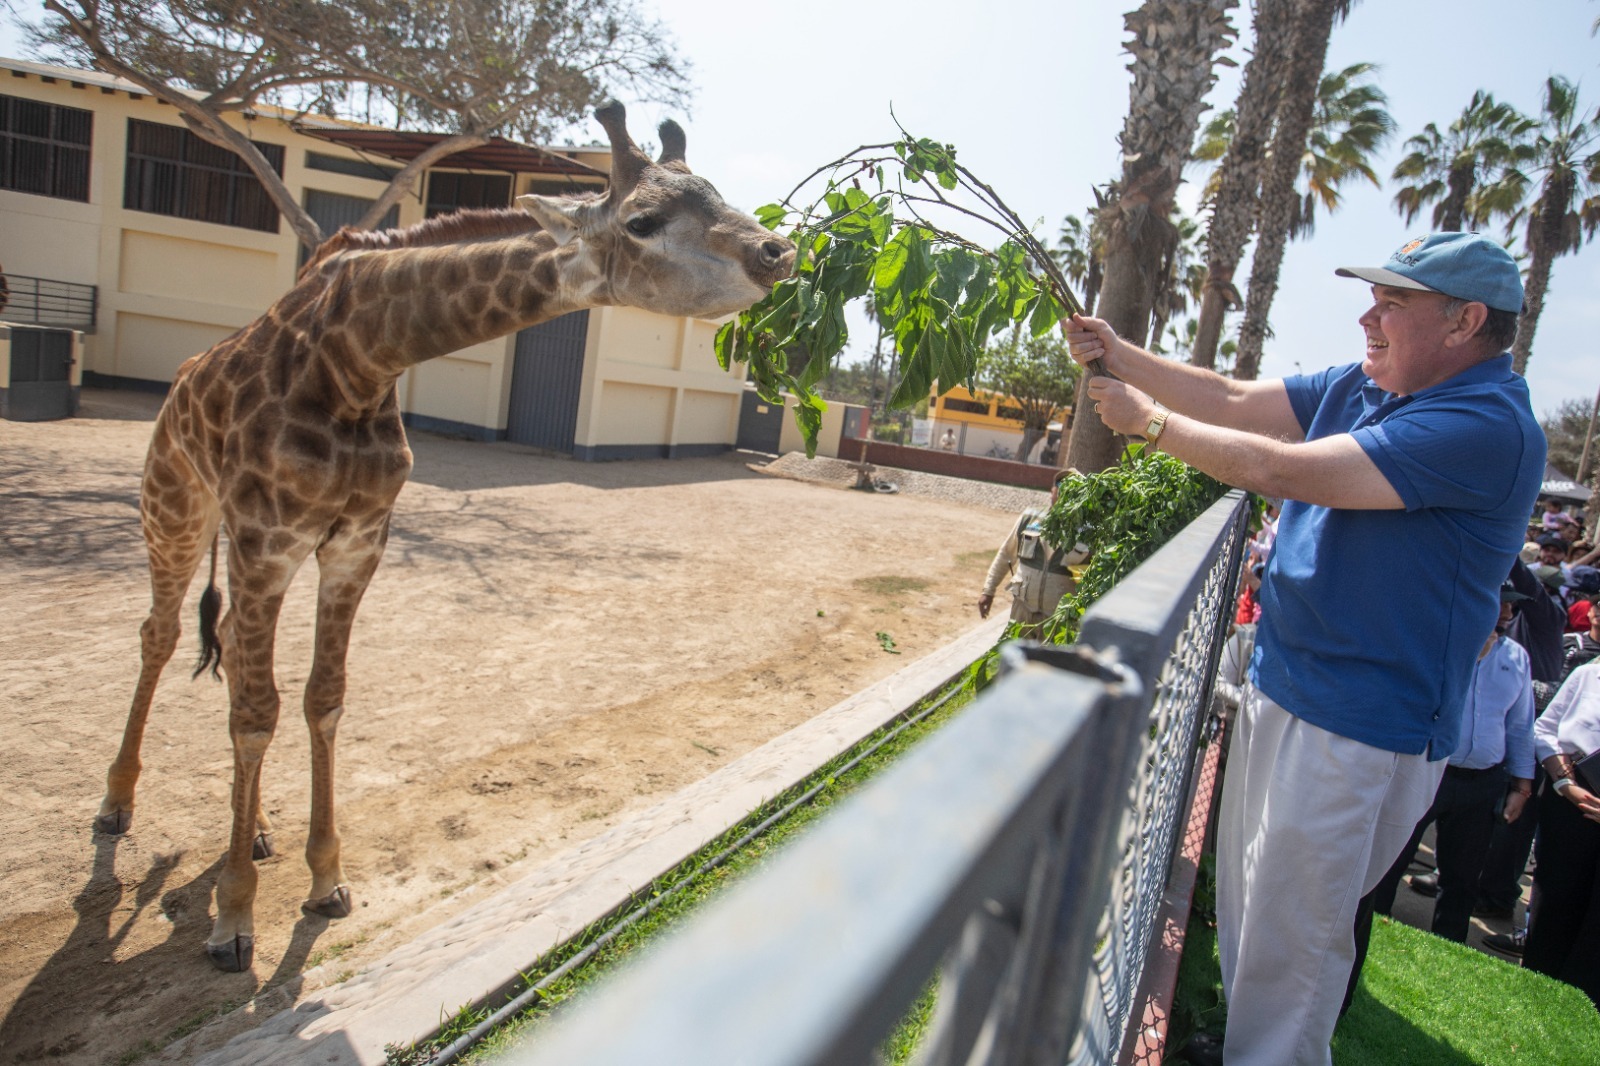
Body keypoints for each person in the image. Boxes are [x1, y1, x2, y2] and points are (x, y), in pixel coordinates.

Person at [1065, 232, 1544, 1066]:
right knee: (1259, 915)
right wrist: (1121, 354)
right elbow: (1233, 397)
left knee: (1296, 947)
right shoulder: (1373, 384)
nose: (1369, 316)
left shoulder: (1484, 424)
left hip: (1358, 724)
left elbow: (1285, 471)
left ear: (1467, 321)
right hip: (1287, 685)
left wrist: (1151, 424)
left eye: (1394, 303)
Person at [1525, 658, 1600, 1006]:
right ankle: (1536, 990)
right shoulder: (1588, 673)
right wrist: (1564, 782)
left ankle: (1582, 1007)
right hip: (1571, 800)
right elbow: (1544, 730)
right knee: (1554, 901)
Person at [977, 468, 1088, 635]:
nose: (1062, 491)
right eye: (1059, 485)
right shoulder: (1030, 518)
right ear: (1052, 491)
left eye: (1071, 488)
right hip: (1022, 611)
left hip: (1059, 619)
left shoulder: (1089, 531)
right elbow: (1006, 553)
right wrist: (988, 590)